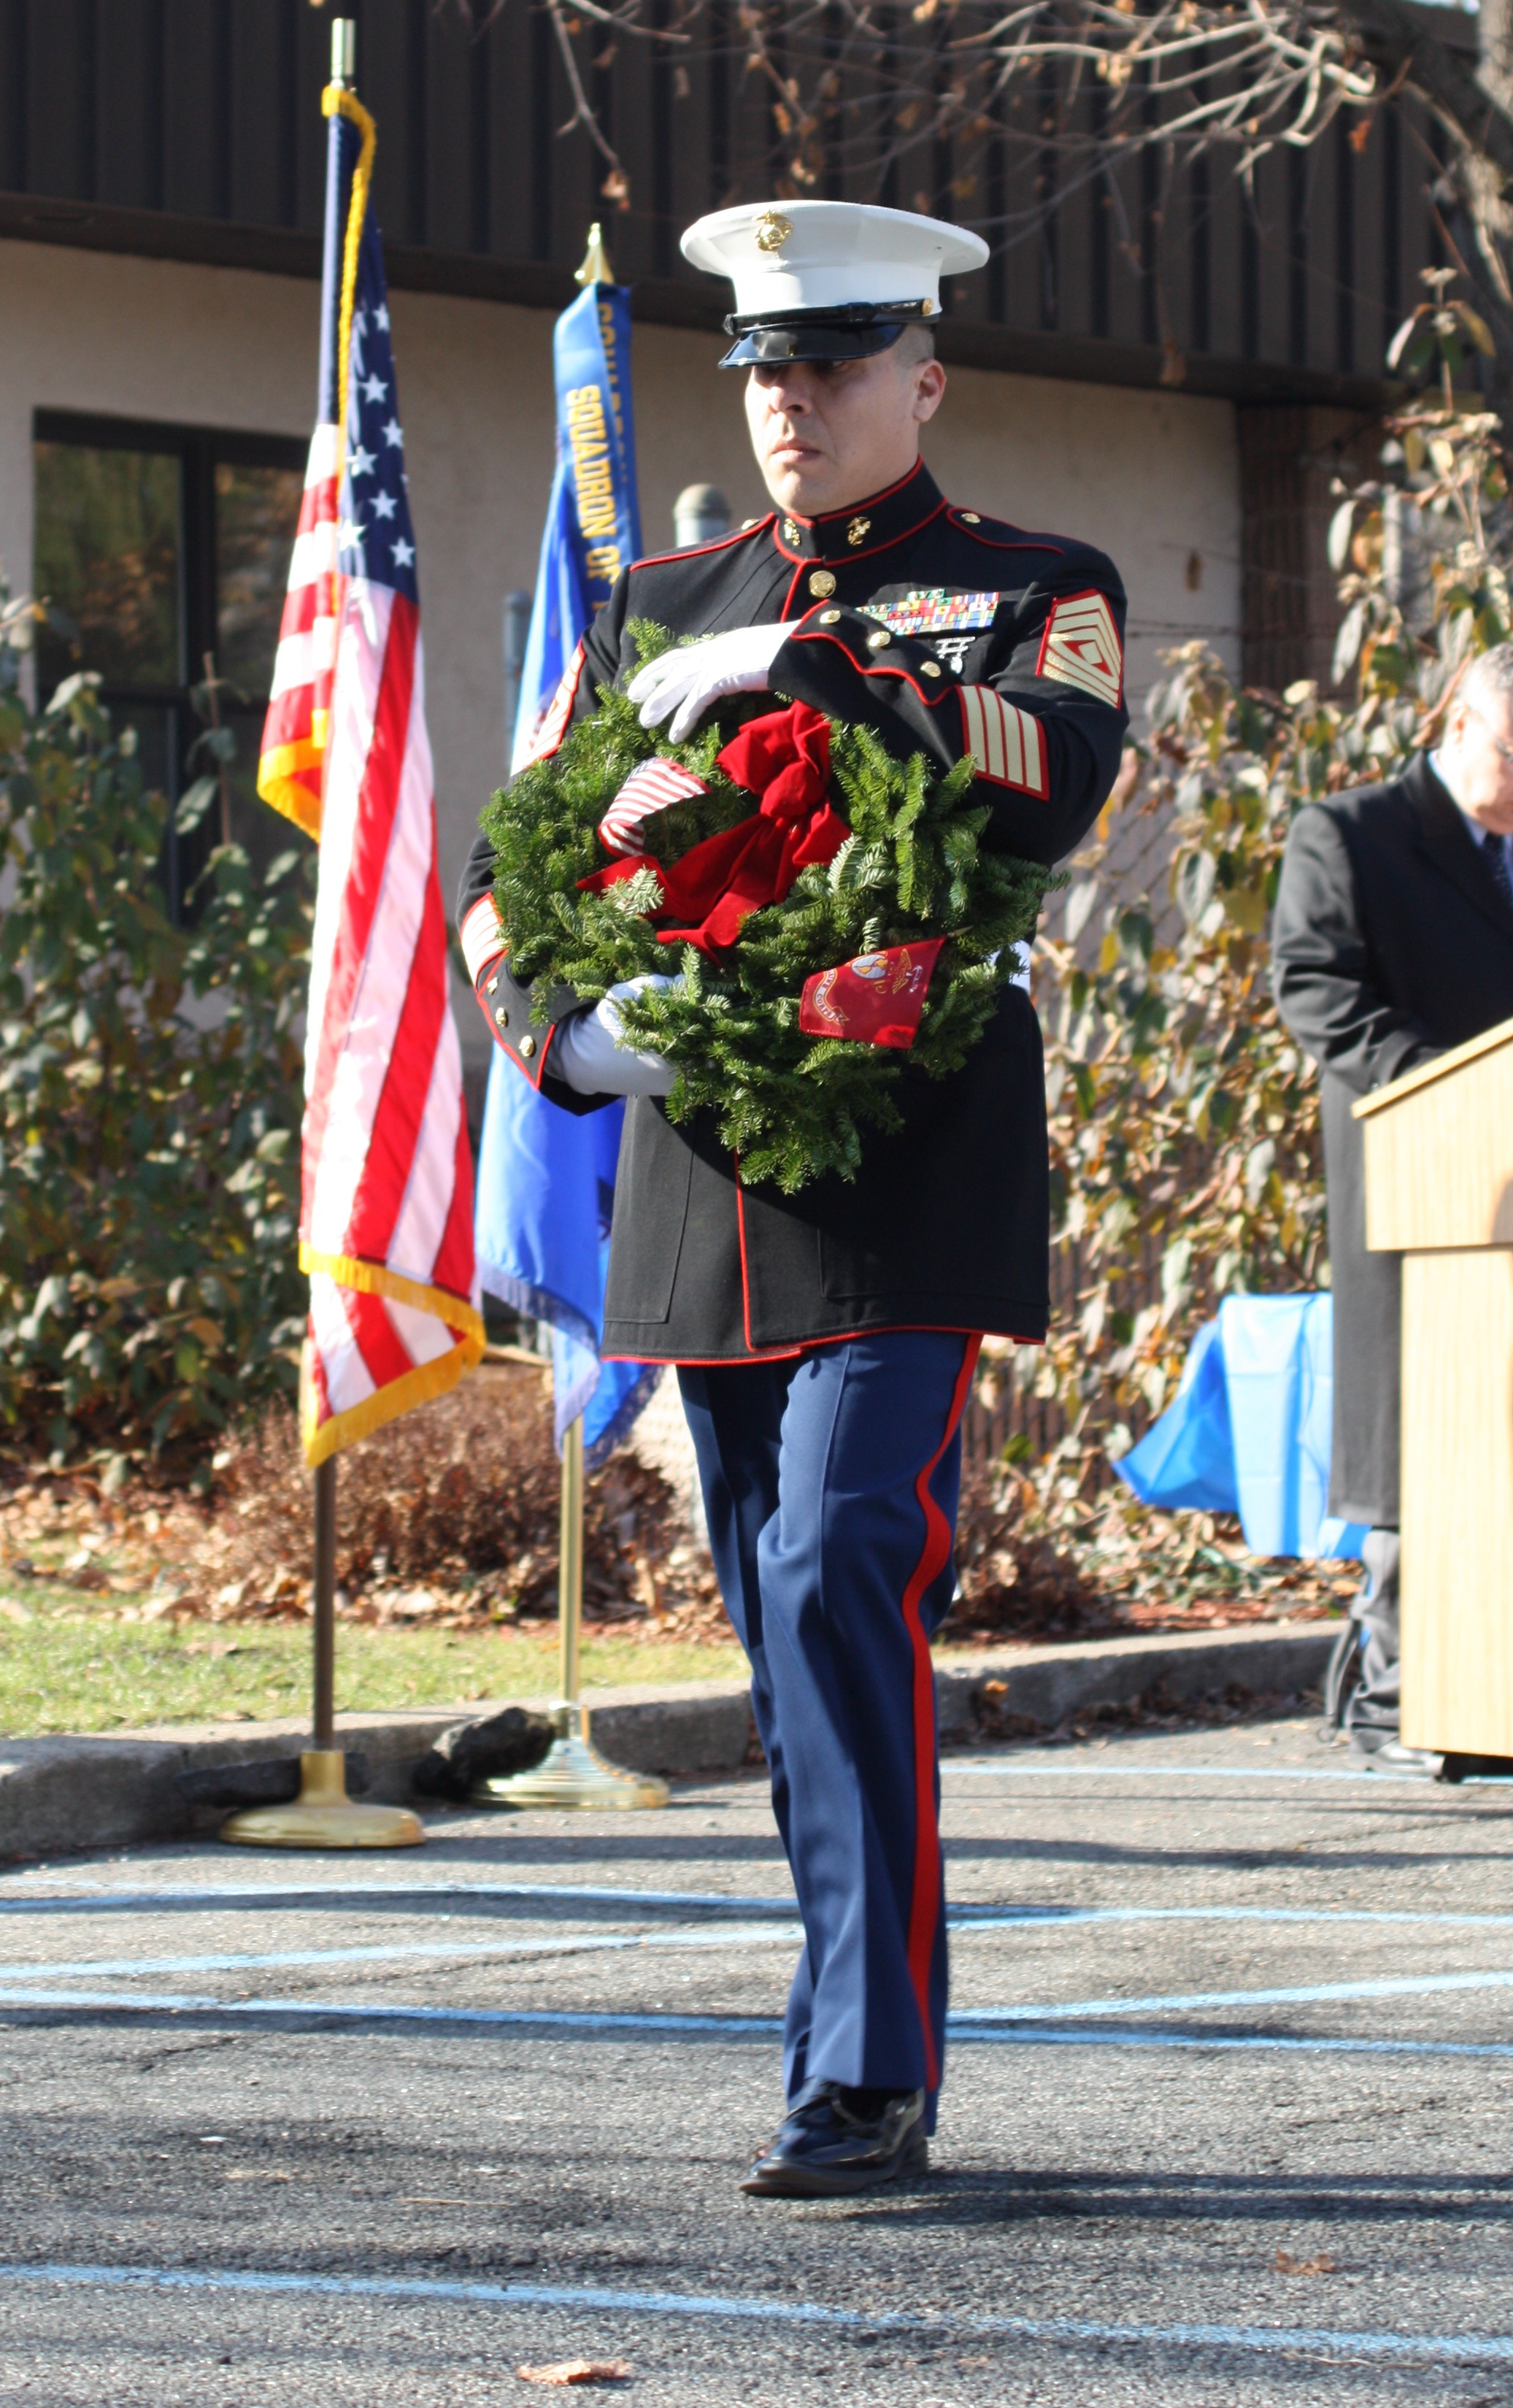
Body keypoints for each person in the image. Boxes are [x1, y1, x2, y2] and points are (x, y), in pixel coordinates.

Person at [458, 199, 1129, 2195]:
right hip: (705, 1179)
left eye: (829, 367)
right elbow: (530, 860)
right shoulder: (657, 602)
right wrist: (570, 1038)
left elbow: (1063, 770)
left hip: (909, 1174)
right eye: (762, 369)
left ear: (921, 377)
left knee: (848, 1556)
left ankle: (863, 2075)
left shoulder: (1033, 583)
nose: (789, 404)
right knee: (784, 1617)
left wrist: (833, 675)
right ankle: (853, 2032)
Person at [1271, 639, 1513, 1760]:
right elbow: (1319, 994)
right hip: (1425, 1186)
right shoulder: (1350, 834)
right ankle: (1404, 1690)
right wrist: (1457, 1091)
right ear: (1456, 719)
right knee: (1430, 1443)